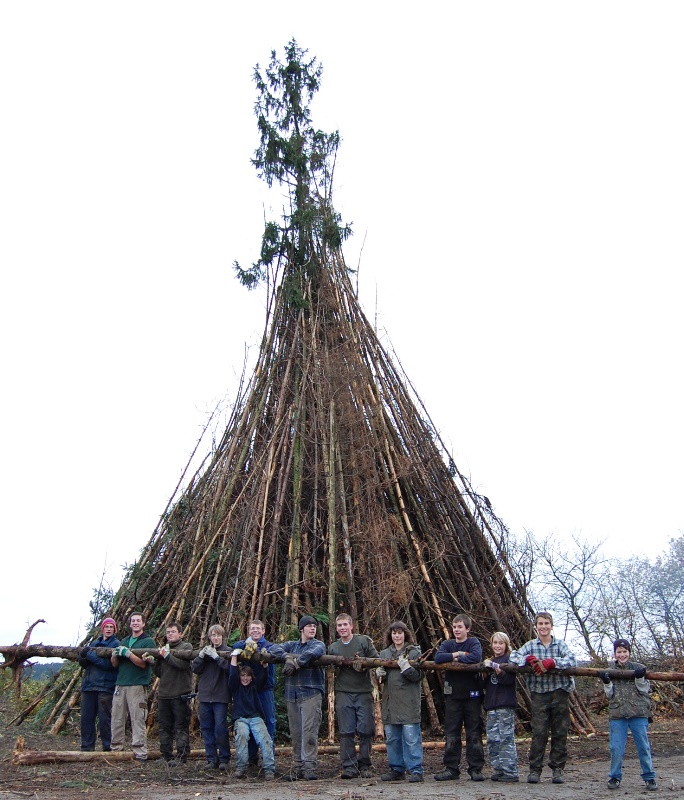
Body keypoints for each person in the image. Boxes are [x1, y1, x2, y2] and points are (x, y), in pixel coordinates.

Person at [509, 611, 576, 784]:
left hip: (559, 693)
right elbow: (513, 656)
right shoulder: (531, 645)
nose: (543, 627)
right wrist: (527, 659)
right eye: (540, 624)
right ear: (536, 626)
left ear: (551, 626)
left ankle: (558, 769)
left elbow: (572, 660)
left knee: (560, 732)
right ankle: (535, 770)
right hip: (539, 694)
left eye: (546, 623)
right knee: (539, 732)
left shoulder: (560, 646)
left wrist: (553, 662)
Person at [268, 615, 325, 780]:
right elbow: (274, 648)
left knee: (309, 732)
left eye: (314, 626)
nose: (312, 628)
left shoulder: (317, 644)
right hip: (292, 695)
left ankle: (309, 768)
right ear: (302, 629)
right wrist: (287, 658)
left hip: (311, 693)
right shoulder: (291, 645)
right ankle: (298, 767)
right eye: (309, 626)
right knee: (296, 733)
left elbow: (315, 652)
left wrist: (297, 663)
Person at [433, 613, 485, 781]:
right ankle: (451, 768)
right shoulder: (448, 644)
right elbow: (438, 658)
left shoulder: (473, 642)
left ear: (467, 629)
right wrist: (458, 654)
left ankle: (476, 769)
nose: (456, 630)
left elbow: (475, 657)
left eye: (460, 627)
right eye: (454, 627)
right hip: (453, 695)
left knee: (474, 732)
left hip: (472, 695)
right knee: (452, 732)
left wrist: (458, 658)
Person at [601, 638, 657, 791]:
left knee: (643, 747)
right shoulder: (610, 670)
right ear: (615, 654)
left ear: (629, 653)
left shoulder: (639, 667)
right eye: (619, 652)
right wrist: (606, 682)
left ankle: (649, 777)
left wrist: (639, 677)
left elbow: (644, 690)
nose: (622, 654)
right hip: (618, 713)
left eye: (625, 651)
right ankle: (615, 776)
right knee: (615, 747)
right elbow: (609, 695)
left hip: (638, 712)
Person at [328, 612, 379, 778]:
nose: (343, 628)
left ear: (351, 626)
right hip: (344, 692)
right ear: (337, 629)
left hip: (363, 691)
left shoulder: (363, 641)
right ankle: (349, 765)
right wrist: (336, 665)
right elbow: (329, 668)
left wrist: (364, 665)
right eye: (339, 626)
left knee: (365, 729)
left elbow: (377, 660)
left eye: (345, 625)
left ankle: (365, 764)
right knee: (346, 730)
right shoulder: (334, 647)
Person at [376, 620, 424, 783]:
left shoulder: (413, 652)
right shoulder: (384, 654)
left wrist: (408, 670)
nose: (397, 636)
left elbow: (419, 677)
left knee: (411, 738)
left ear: (405, 634)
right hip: (390, 703)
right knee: (392, 738)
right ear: (390, 635)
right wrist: (379, 674)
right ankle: (396, 769)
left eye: (400, 633)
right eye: (394, 633)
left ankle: (416, 770)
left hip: (409, 702)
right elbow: (382, 680)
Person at [110, 612, 156, 760]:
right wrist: (114, 655)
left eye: (138, 621)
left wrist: (128, 654)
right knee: (117, 717)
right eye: (133, 621)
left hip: (136, 685)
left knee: (137, 718)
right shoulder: (123, 641)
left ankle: (140, 752)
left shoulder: (148, 642)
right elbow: (115, 665)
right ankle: (116, 749)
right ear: (130, 624)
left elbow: (143, 664)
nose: (135, 623)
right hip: (120, 684)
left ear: (143, 624)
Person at [231, 619, 275, 769]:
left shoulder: (268, 646)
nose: (255, 631)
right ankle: (251, 759)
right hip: (249, 689)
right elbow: (235, 646)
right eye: (252, 629)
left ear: (263, 631)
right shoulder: (245, 644)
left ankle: (269, 759)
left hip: (265, 690)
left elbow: (273, 650)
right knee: (248, 721)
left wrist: (257, 651)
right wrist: (245, 646)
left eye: (258, 629)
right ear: (249, 631)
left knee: (268, 722)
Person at [228, 650, 275, 780]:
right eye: (242, 675)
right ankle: (241, 767)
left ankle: (269, 769)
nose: (245, 678)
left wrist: (264, 664)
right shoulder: (235, 686)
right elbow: (232, 674)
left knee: (265, 739)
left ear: (251, 677)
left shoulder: (255, 686)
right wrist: (234, 657)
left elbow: (263, 677)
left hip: (256, 717)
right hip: (241, 719)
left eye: (248, 676)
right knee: (242, 736)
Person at [191, 624, 232, 770]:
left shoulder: (228, 651)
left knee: (220, 728)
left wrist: (217, 658)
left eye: (218, 635)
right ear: (210, 637)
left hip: (220, 696)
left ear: (222, 636)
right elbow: (195, 669)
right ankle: (211, 759)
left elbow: (231, 670)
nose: (216, 638)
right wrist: (201, 656)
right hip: (205, 695)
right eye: (213, 635)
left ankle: (224, 759)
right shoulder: (206, 651)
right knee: (207, 728)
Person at [152, 621, 193, 765]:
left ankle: (182, 756)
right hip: (164, 694)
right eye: (168, 632)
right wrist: (153, 661)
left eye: (173, 631)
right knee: (164, 726)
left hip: (180, 694)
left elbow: (183, 665)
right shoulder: (164, 649)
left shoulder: (186, 647)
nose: (170, 634)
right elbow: (159, 672)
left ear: (180, 633)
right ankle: (166, 755)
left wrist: (167, 656)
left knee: (180, 726)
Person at [78, 617, 120, 752]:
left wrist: (90, 655)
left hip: (105, 686)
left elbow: (107, 665)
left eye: (111, 627)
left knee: (105, 719)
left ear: (114, 630)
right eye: (106, 627)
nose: (108, 629)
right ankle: (87, 747)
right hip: (88, 686)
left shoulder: (115, 645)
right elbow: (84, 664)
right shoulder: (95, 643)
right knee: (86, 718)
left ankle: (108, 747)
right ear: (102, 629)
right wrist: (83, 656)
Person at [482, 631, 519, 782]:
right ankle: (498, 769)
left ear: (506, 645)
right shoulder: (489, 661)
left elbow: (508, 680)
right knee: (493, 739)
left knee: (506, 738)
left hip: (505, 704)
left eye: (501, 643)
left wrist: (497, 670)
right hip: (491, 705)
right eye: (495, 643)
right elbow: (485, 685)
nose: (497, 646)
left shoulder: (509, 660)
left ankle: (510, 771)